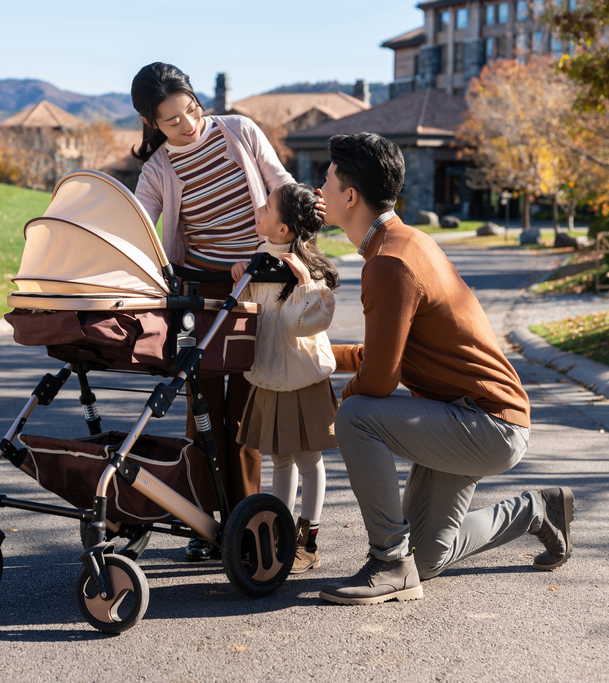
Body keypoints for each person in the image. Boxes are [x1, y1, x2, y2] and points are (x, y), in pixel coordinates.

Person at [318, 132, 575, 605]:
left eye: (327, 180)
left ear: (350, 196)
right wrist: (326, 356)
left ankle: (387, 561)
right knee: (427, 557)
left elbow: (378, 380)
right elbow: (386, 355)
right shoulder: (400, 243)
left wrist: (337, 399)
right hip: (464, 414)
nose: (319, 190)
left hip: (487, 423)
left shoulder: (391, 260)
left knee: (355, 417)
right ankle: (537, 509)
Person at [131, 62, 295, 561]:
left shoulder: (240, 131)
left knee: (243, 410)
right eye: (172, 120)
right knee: (200, 408)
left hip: (254, 286)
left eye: (192, 109)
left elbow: (282, 188)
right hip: (197, 294)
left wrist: (301, 217)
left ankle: (244, 526)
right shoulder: (157, 169)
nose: (189, 124)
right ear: (152, 124)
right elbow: (139, 231)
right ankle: (203, 522)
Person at [230, 183, 338, 574]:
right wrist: (240, 276)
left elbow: (298, 325)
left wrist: (304, 283)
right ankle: (279, 532)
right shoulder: (260, 257)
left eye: (268, 205)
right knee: (280, 459)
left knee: (309, 459)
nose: (260, 207)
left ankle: (308, 540)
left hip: (304, 378)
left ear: (283, 230)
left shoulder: (310, 272)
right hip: (272, 375)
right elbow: (249, 315)